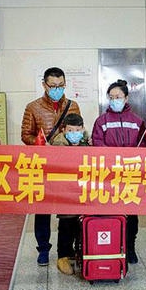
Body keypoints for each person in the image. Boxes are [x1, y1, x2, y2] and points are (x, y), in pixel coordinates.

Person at [21, 67, 81, 266]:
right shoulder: (33, 107)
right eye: (53, 86)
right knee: (43, 209)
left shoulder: (73, 106)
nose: (57, 89)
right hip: (43, 166)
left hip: (67, 167)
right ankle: (43, 249)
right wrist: (40, 144)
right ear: (44, 85)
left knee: (69, 208)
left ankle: (67, 248)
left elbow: (78, 130)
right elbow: (25, 135)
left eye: (61, 86)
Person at [91, 79, 146, 264]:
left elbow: (143, 146)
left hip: (130, 174)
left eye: (118, 97)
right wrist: (113, 159)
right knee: (111, 211)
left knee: (131, 213)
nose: (114, 100)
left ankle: (130, 247)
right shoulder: (102, 121)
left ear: (126, 98)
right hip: (109, 175)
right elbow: (97, 144)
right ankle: (113, 245)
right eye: (111, 97)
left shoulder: (137, 121)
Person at [50, 113, 91, 274]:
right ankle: (63, 256)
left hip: (83, 191)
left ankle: (77, 252)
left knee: (80, 223)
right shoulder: (58, 145)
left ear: (82, 129)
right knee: (66, 224)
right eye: (70, 130)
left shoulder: (88, 144)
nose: (74, 133)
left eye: (78, 130)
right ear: (64, 130)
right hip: (65, 192)